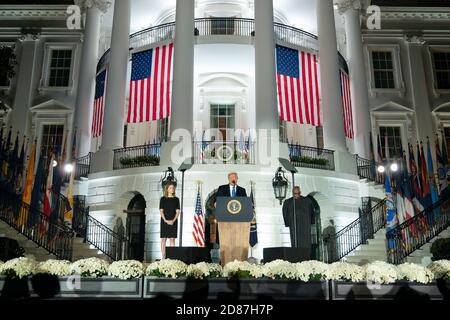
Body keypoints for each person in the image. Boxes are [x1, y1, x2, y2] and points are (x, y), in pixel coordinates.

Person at [282, 186, 314, 256]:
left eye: (298, 193)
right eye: (295, 193)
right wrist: (287, 223)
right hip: (294, 226)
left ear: (300, 192)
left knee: (306, 242)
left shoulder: (307, 201)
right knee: (295, 241)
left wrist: (311, 221)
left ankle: (307, 256)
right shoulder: (288, 202)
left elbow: (312, 212)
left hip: (305, 226)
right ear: (292, 193)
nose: (296, 195)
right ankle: (296, 255)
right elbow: (285, 213)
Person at [159, 183, 180, 259]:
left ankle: (171, 257)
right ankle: (163, 257)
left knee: (172, 239)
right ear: (167, 189)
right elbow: (161, 211)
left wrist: (173, 220)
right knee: (163, 239)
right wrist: (165, 220)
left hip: (173, 221)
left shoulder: (176, 199)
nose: (172, 189)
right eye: (170, 188)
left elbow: (177, 212)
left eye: (173, 188)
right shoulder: (163, 199)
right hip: (164, 221)